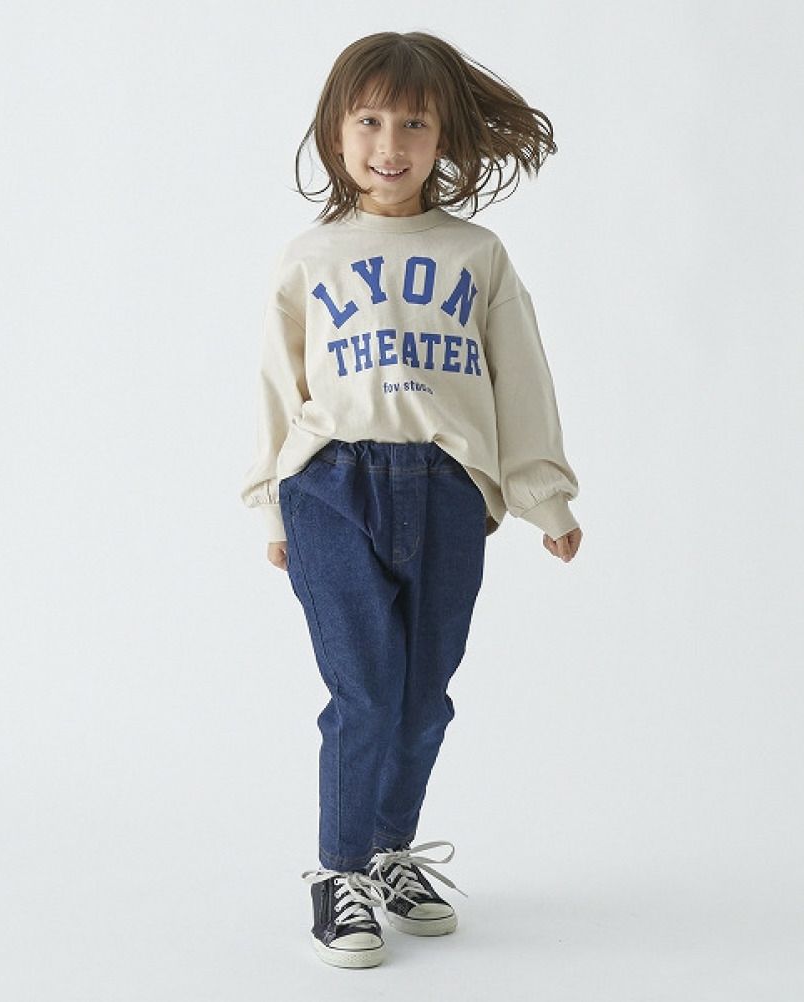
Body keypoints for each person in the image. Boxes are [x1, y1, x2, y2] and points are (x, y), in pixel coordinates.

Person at [239, 30, 584, 969]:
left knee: (423, 697)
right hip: (331, 485)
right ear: (335, 132)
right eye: (369, 121)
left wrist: (543, 495)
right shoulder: (310, 257)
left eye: (414, 124)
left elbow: (521, 380)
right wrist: (272, 505)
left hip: (446, 491)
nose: (389, 144)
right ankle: (340, 871)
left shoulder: (478, 254)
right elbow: (275, 385)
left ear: (444, 139)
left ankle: (390, 853)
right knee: (364, 691)